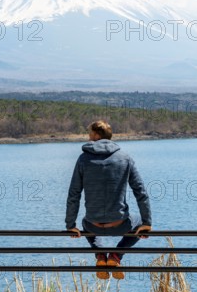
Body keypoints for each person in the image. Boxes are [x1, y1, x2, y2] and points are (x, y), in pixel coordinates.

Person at [65, 120, 152, 280]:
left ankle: (100, 255)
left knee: (84, 221)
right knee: (140, 221)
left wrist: (70, 225)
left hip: (93, 225)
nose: (88, 136)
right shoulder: (125, 158)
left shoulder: (83, 159)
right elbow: (140, 192)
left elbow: (74, 193)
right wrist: (147, 223)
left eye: (90, 133)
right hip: (120, 224)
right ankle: (115, 256)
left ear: (96, 135)